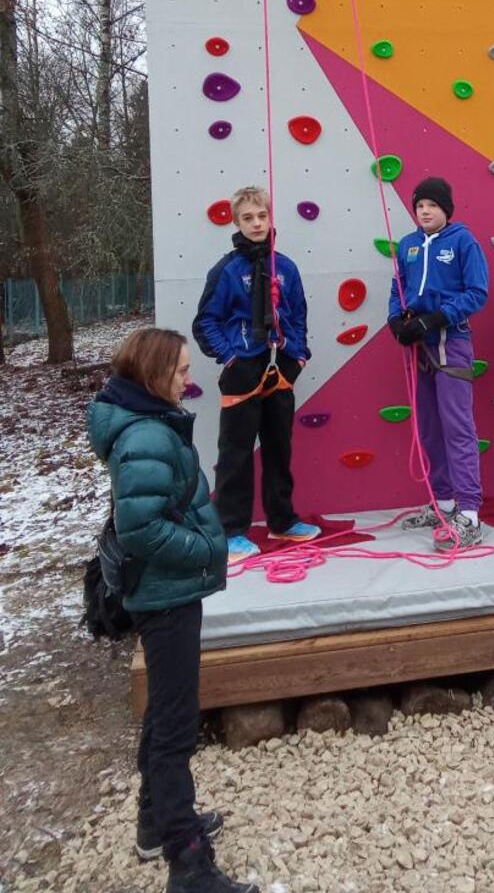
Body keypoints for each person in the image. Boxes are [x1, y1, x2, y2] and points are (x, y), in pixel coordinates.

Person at [88, 327, 258, 893]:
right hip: (166, 596)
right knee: (175, 730)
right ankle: (188, 863)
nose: (189, 379)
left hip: (168, 591)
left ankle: (153, 827)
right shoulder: (145, 436)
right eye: (182, 370)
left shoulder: (149, 423)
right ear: (155, 373)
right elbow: (141, 529)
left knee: (164, 713)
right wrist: (205, 549)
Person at [193, 185, 319, 563]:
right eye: (248, 218)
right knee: (236, 453)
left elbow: (298, 314)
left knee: (279, 449)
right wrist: (231, 357)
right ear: (236, 222)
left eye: (262, 216)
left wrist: (298, 356)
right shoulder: (226, 270)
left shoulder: (287, 268)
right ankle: (231, 531)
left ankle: (282, 520)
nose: (257, 224)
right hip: (243, 368)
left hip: (281, 366)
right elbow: (206, 322)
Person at [388, 176, 489, 550]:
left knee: (457, 428)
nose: (425, 211)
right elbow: (398, 288)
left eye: (432, 205)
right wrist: (396, 319)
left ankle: (470, 513)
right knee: (429, 428)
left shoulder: (463, 241)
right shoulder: (408, 245)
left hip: (451, 342)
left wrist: (438, 317)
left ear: (446, 208)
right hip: (419, 346)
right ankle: (444, 503)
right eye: (419, 206)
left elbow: (477, 292)